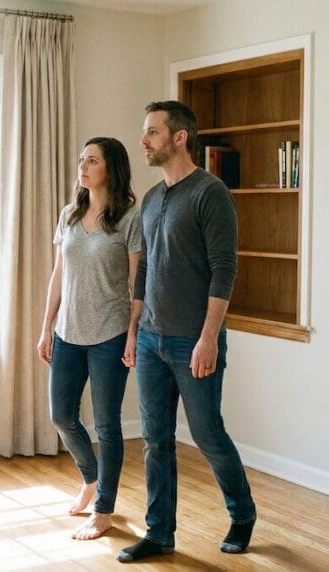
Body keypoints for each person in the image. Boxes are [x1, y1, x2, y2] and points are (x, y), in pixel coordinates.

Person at [116, 101, 257, 563]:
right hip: (153, 337)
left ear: (179, 137)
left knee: (207, 433)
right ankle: (159, 534)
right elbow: (145, 271)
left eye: (152, 132)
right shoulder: (153, 198)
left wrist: (208, 337)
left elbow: (224, 270)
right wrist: (135, 330)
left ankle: (242, 513)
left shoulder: (210, 193)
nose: (144, 141)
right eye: (145, 132)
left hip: (191, 340)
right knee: (156, 440)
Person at [37, 136, 142, 541]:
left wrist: (133, 334)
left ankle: (105, 510)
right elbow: (59, 274)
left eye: (92, 160)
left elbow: (137, 283)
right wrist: (46, 326)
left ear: (110, 169)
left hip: (110, 334)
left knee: (107, 425)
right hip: (68, 331)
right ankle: (91, 477)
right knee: (61, 415)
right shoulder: (69, 214)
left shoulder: (130, 218)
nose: (82, 166)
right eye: (81, 159)